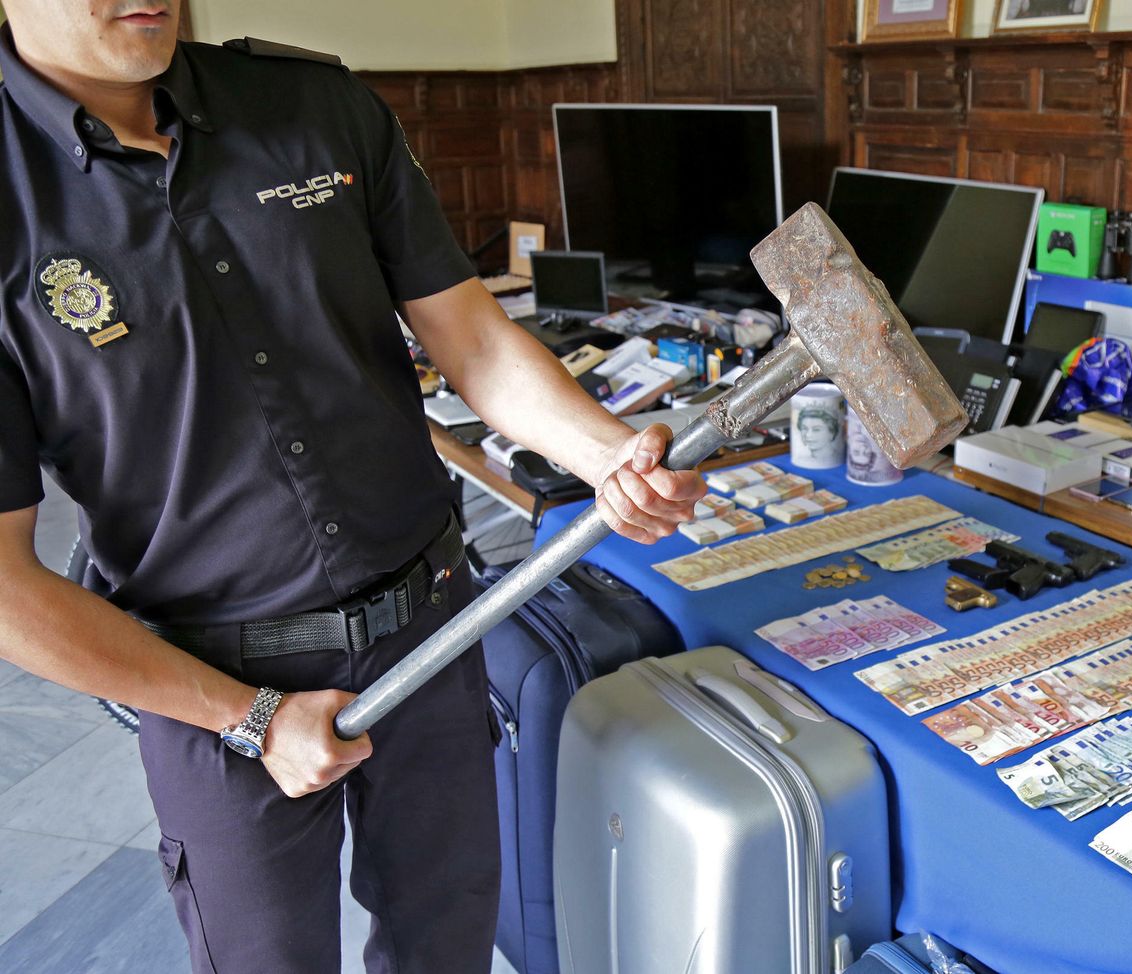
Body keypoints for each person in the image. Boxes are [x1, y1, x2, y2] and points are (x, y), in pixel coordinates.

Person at [0, 2, 705, 971]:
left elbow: (470, 334)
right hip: (212, 681)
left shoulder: (314, 106)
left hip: (430, 626)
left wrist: (603, 452)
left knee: (446, 936)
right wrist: (246, 717)